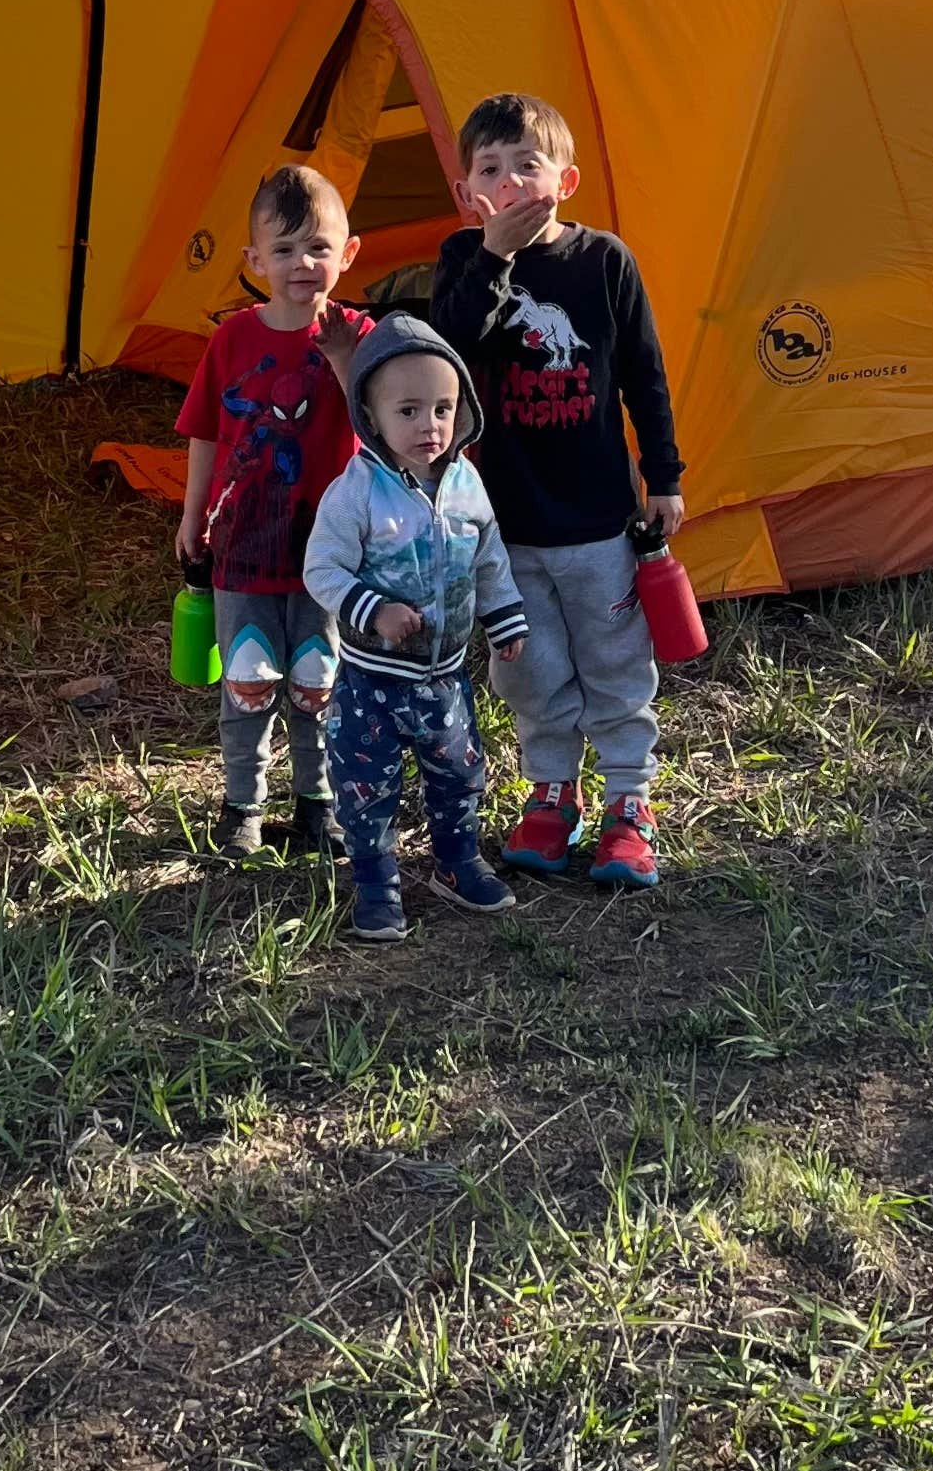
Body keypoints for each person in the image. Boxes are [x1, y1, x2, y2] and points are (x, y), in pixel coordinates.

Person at [428, 91, 683, 893]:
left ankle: (628, 800)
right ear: (467, 191)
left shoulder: (604, 261)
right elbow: (446, 355)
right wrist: (493, 257)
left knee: (614, 657)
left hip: (599, 515)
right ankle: (550, 791)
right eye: (489, 170)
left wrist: (664, 476)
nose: (508, 183)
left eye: (525, 166)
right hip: (506, 520)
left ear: (564, 182)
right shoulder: (462, 260)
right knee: (529, 665)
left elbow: (643, 373)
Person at [302, 313, 527, 943]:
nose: (429, 426)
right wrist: (373, 610)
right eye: (408, 411)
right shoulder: (357, 491)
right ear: (371, 418)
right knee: (365, 784)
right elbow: (321, 568)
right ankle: (376, 882)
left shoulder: (466, 483)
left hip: (444, 677)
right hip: (372, 680)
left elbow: (489, 557)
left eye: (442, 409)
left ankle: (457, 862)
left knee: (459, 773)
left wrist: (503, 618)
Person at [173, 164, 367, 860]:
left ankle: (319, 804)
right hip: (244, 541)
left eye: (318, 247)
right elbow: (204, 432)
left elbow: (382, 423)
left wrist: (343, 357)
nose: (302, 264)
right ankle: (243, 806)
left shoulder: (358, 333)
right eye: (283, 250)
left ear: (348, 254)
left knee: (320, 679)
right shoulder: (232, 340)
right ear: (254, 262)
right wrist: (192, 515)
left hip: (330, 547)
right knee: (248, 679)